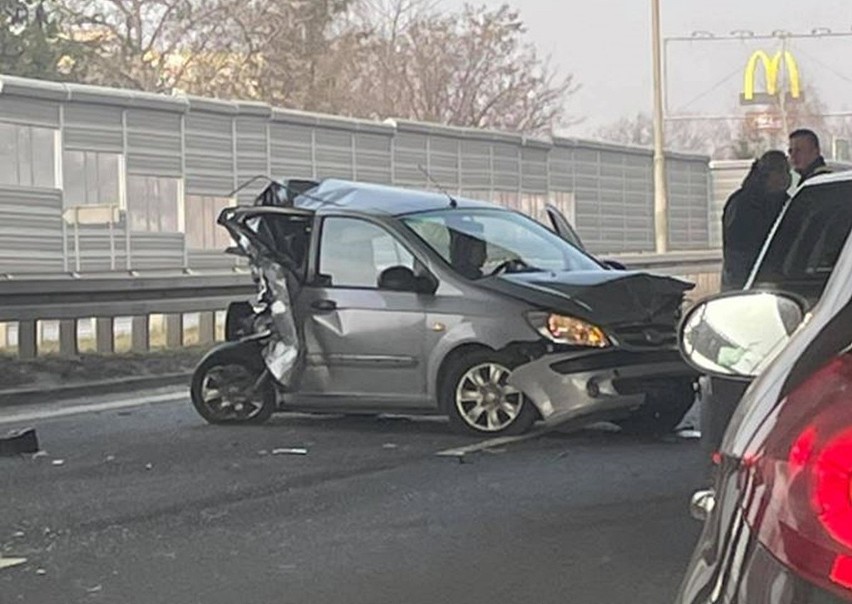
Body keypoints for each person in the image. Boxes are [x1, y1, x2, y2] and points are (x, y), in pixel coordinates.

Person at [721, 150, 791, 290]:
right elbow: (736, 255)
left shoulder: (783, 202)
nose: (786, 177)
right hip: (751, 284)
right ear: (767, 174)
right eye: (782, 171)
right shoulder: (744, 204)